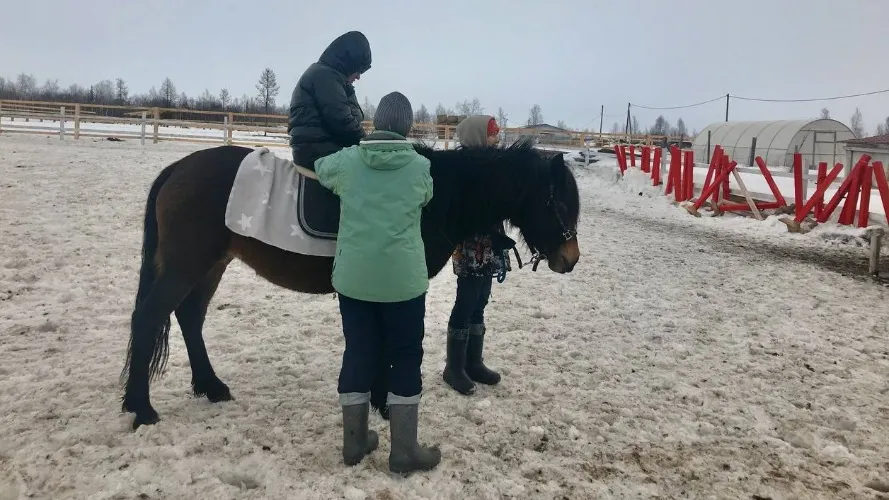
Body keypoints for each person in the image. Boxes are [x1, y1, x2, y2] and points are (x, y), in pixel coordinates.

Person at [315, 91, 441, 474]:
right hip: (403, 284)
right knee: (405, 355)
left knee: (357, 351)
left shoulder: (350, 162)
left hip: (354, 281)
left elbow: (320, 167)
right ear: (407, 127)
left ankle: (354, 443)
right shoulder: (420, 167)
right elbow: (426, 196)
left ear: (375, 122)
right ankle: (404, 450)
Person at [442, 115, 516, 396]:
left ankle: (474, 362)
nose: (497, 137)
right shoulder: (464, 168)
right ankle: (454, 367)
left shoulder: (493, 166)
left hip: (490, 245)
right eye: (492, 133)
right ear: (476, 136)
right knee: (466, 301)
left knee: (481, 300)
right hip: (470, 247)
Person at [288, 31, 371, 167]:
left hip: (322, 147)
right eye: (358, 70)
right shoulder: (324, 76)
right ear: (350, 63)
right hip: (317, 151)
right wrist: (369, 145)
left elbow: (355, 117)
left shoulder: (335, 80)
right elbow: (342, 122)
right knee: (370, 170)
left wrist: (348, 88)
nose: (358, 77)